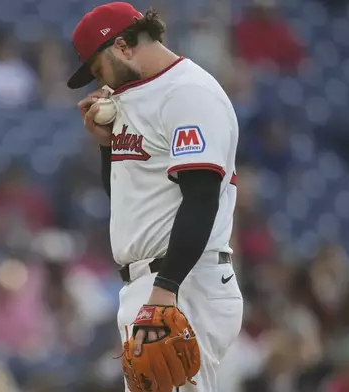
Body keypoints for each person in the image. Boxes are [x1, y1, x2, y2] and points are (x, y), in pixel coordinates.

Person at [67, 2, 243, 391]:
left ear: (124, 47)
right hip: (151, 284)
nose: (101, 83)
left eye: (99, 69)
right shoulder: (132, 98)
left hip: (183, 282)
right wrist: (106, 148)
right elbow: (127, 201)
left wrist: (166, 290)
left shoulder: (188, 93)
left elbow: (201, 196)